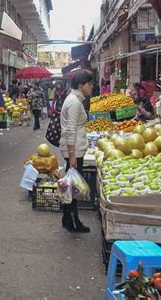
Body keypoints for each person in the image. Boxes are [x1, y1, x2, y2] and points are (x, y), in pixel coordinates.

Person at [59, 70, 93, 233]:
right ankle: (73, 220)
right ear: (81, 85)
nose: (92, 87)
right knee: (73, 187)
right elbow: (71, 129)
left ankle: (68, 218)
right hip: (74, 151)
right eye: (90, 84)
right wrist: (72, 155)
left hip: (75, 149)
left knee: (70, 185)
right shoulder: (74, 102)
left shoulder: (73, 100)